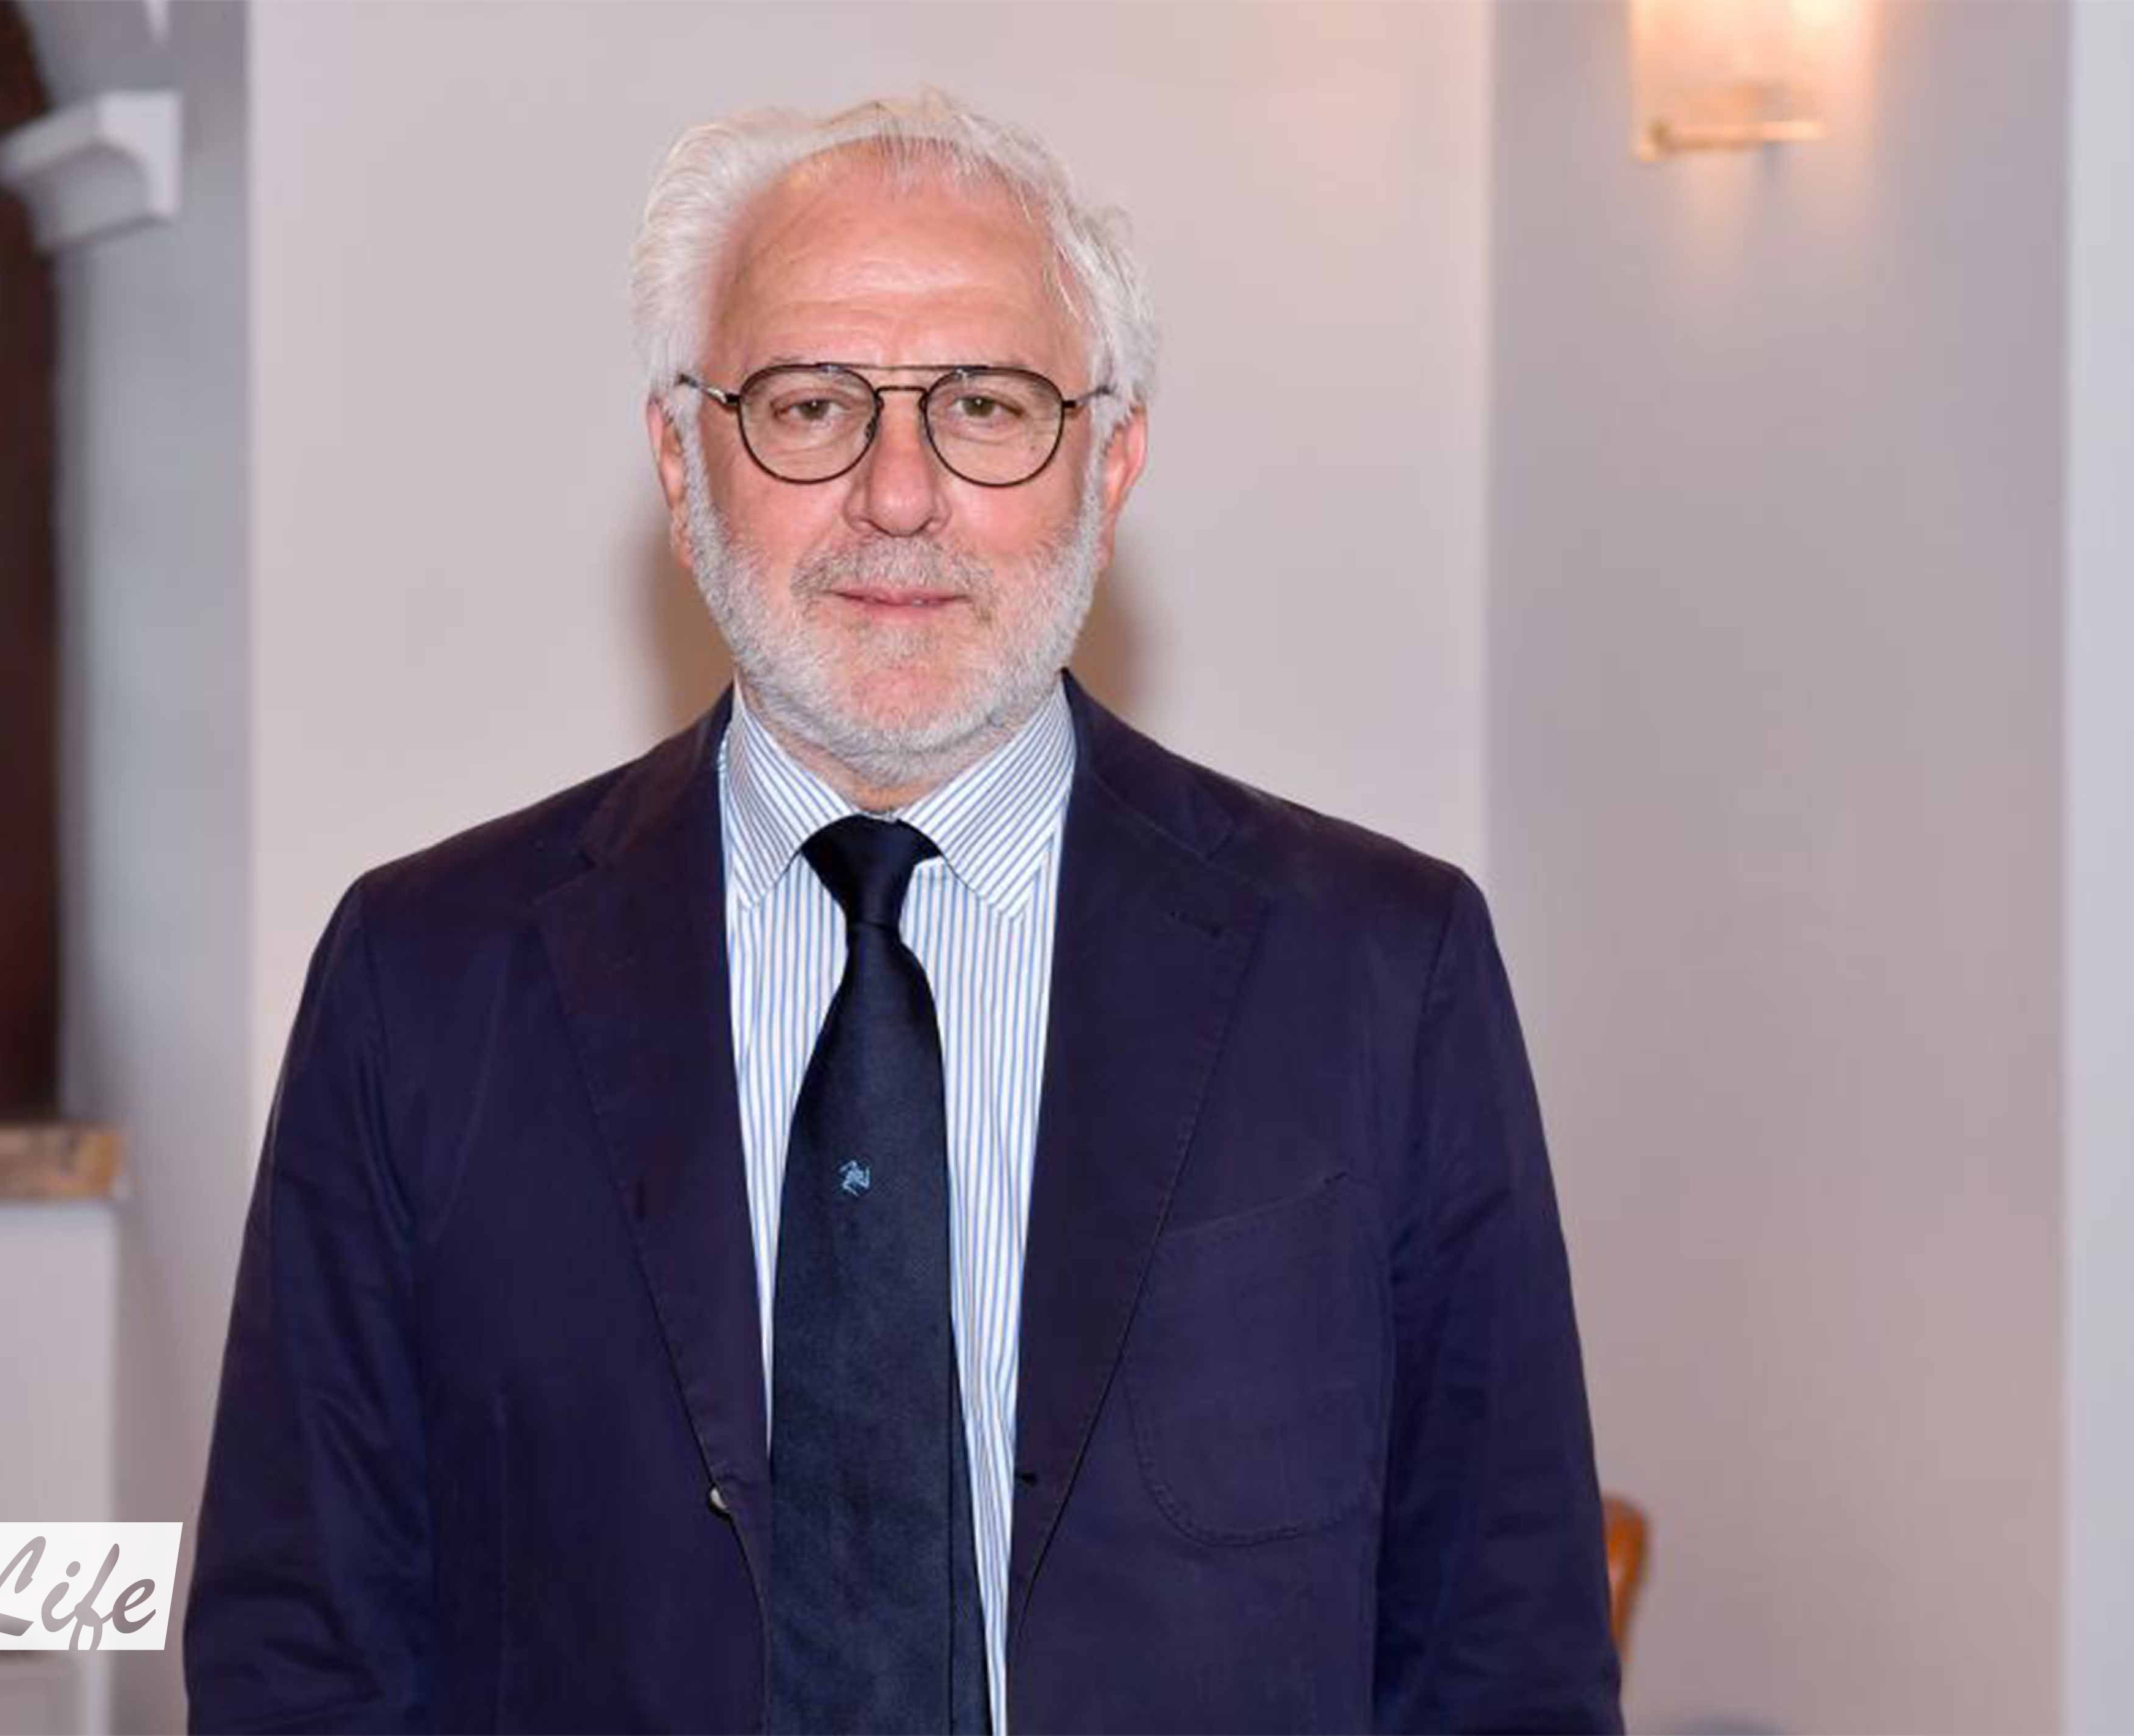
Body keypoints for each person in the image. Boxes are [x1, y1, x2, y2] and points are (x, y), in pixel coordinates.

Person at [184, 91, 1621, 1735]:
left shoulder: (1379, 970)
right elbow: (302, 1655)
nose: (896, 492)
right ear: (681, 468)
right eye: (809, 406)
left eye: (985, 406)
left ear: (1110, 466)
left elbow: (1504, 1660)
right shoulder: (424, 980)